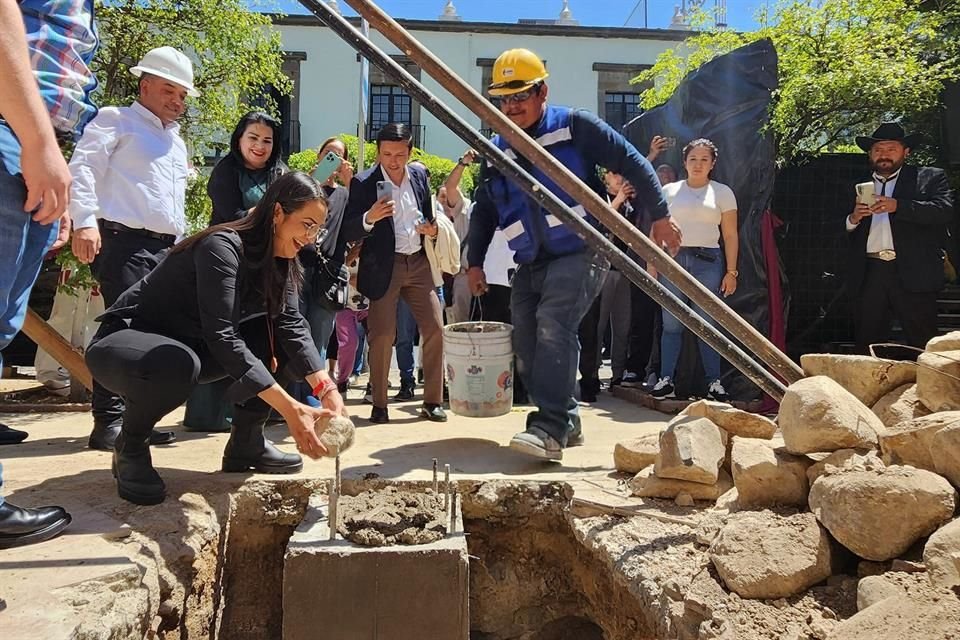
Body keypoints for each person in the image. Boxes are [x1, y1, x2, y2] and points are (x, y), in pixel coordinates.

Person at [468, 48, 682, 460]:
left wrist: (660, 215)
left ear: (542, 91)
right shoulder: (497, 148)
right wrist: (474, 260)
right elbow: (485, 208)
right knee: (527, 343)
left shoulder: (576, 126)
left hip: (581, 249)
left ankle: (549, 427)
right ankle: (568, 418)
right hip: (530, 260)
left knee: (553, 325)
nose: (512, 106)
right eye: (504, 99)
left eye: (521, 96)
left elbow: (634, 162)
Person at [84, 172, 344, 505]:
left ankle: (246, 443)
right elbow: (222, 334)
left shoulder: (282, 261)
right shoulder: (221, 247)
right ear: (278, 213)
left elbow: (291, 324)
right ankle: (131, 446)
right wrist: (292, 410)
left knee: (282, 344)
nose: (310, 238)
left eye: (316, 229)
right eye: (306, 225)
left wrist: (326, 389)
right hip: (129, 344)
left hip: (194, 349)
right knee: (177, 364)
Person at [0, 0, 99, 546]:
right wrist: (37, 144)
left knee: (3, 324)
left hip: (29, 145)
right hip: (12, 131)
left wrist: (48, 161)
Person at [69, 46, 199, 451]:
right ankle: (106, 422)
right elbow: (84, 168)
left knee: (148, 333)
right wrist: (85, 222)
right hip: (123, 241)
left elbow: (170, 202)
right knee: (121, 327)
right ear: (144, 85)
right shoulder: (116, 120)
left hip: (164, 250)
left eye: (182, 95)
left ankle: (132, 423)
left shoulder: (175, 142)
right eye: (168, 90)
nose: (177, 101)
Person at [340, 124, 448, 424]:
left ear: (410, 152)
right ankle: (380, 404)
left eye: (400, 154)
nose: (393, 160)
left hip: (419, 263)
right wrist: (369, 218)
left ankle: (432, 401)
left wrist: (432, 228)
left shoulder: (419, 176)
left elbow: (430, 216)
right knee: (383, 334)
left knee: (436, 328)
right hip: (383, 266)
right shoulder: (363, 182)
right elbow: (348, 227)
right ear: (378, 152)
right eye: (386, 154)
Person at [845, 122, 954, 355]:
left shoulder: (929, 178)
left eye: (891, 149)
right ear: (870, 154)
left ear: (906, 152)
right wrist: (853, 218)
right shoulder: (853, 185)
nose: (884, 155)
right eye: (878, 149)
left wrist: (899, 206)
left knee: (923, 340)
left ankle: (926, 389)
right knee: (867, 341)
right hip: (870, 272)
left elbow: (943, 210)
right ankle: (870, 390)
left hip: (915, 271)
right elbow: (830, 226)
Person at [650, 138, 738, 402]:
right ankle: (667, 380)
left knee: (706, 323)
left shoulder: (723, 192)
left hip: (708, 261)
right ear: (685, 162)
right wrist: (652, 263)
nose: (698, 164)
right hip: (674, 260)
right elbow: (657, 230)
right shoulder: (669, 191)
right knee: (671, 323)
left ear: (712, 164)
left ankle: (714, 383)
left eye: (704, 160)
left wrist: (731, 271)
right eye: (693, 159)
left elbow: (731, 235)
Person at [207, 111, 287, 226]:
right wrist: (270, 207)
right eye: (253, 138)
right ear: (239, 139)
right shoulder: (224, 172)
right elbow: (235, 218)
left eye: (267, 141)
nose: (260, 146)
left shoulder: (281, 172)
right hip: (231, 240)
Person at [440, 149, 476, 325]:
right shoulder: (466, 209)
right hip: (464, 278)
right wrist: (463, 163)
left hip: (495, 279)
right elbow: (450, 187)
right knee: (461, 329)